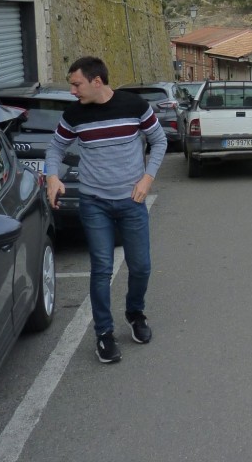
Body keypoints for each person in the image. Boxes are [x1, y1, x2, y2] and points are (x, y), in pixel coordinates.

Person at [45, 56, 168, 364]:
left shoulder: (135, 107)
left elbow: (159, 140)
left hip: (132, 200)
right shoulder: (74, 115)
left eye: (77, 84)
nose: (73, 91)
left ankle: (135, 314)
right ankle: (104, 333)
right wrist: (51, 177)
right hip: (94, 202)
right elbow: (55, 147)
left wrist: (147, 178)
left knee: (141, 266)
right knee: (101, 268)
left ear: (96, 81)